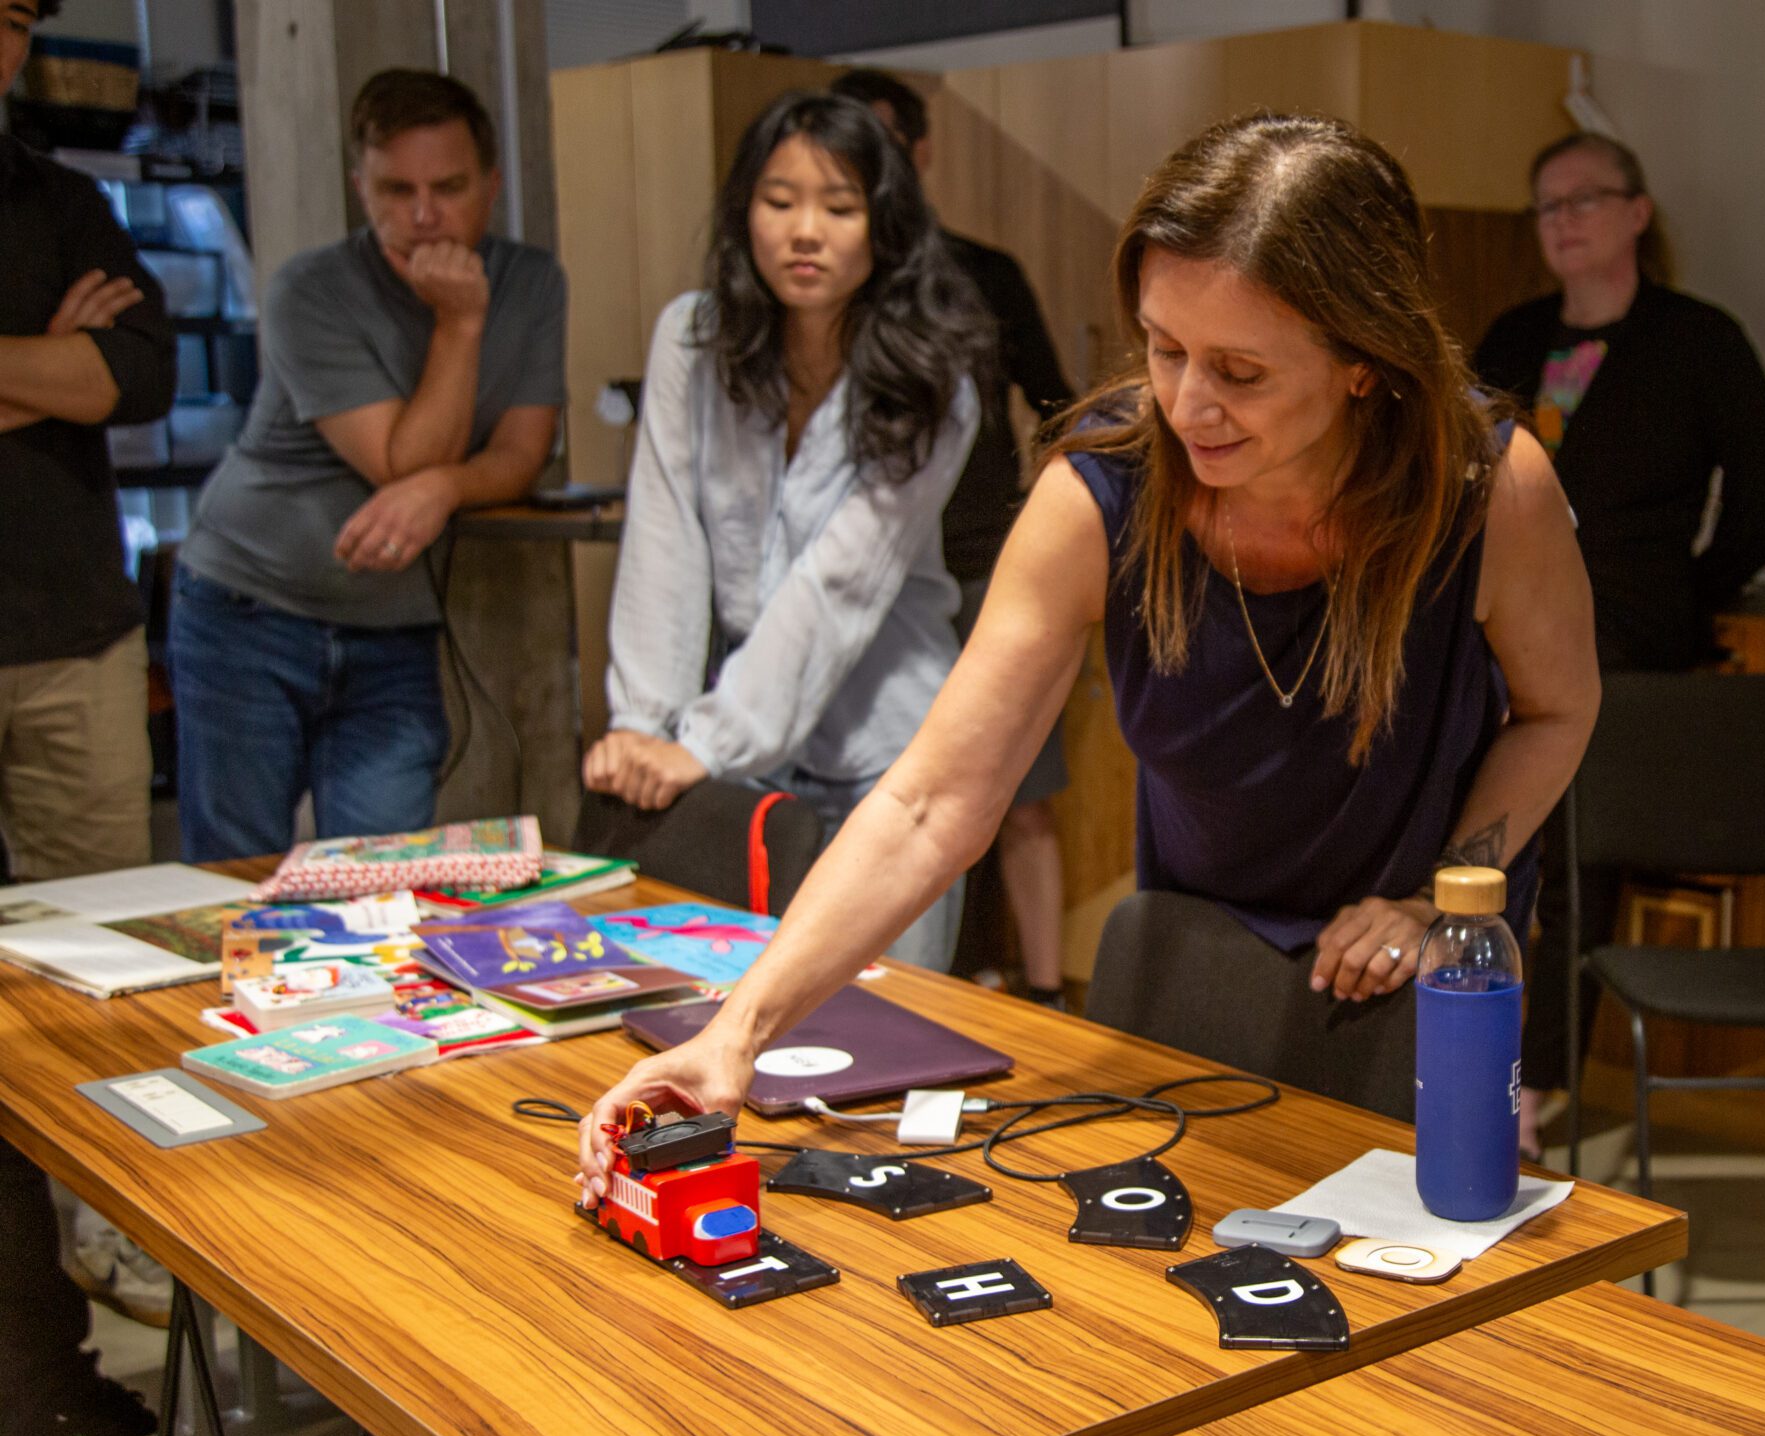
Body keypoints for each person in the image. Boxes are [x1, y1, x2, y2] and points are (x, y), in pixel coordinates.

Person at [575, 111, 1599, 1190]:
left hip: (1427, 955)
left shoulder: (1487, 489)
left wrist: (1447, 895)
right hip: (1193, 935)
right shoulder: (1101, 492)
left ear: (1360, 361)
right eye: (1163, 349)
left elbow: (1556, 712)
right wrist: (738, 1035)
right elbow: (932, 804)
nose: (1187, 404)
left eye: (1239, 372)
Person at [583, 92, 987, 972]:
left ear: (882, 223)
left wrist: (698, 744)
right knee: (721, 1014)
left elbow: (836, 589)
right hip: (741, 754)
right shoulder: (692, 340)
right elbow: (666, 536)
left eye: (839, 208)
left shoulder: (933, 381)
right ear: (744, 212)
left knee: (887, 1027)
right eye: (779, 202)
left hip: (891, 760)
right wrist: (645, 724)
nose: (806, 231)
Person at [1473, 131, 1765, 1158]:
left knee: (1575, 876)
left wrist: (1684, 603)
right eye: (1545, 205)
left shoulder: (1699, 341)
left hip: (1625, 645)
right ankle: (1455, 1062)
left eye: (1584, 199)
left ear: (1637, 214)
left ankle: (1530, 1088)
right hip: (1493, 636)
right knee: (1483, 863)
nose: (1562, 220)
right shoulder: (1512, 339)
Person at [168, 69, 565, 861]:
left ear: (491, 186)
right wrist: (460, 322)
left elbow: (521, 454)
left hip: (393, 627)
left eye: (448, 187)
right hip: (250, 606)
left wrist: (448, 486)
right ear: (360, 187)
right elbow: (400, 461)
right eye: (395, 189)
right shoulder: (311, 289)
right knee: (233, 869)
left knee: (381, 876)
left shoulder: (531, 281)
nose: (422, 215)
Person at [1, 2, 173, 1432]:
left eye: (10, 20)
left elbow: (138, 378)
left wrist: (77, 370)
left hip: (71, 630)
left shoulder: (62, 200)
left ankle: (121, 1225)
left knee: (97, 968)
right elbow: (69, 382)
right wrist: (30, 366)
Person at [829, 68, 1077, 1007]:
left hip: (984, 568)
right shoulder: (835, 285)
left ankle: (1047, 988)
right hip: (870, 579)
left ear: (921, 149)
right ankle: (901, 992)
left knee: (1023, 797)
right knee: (891, 797)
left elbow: (1059, 409)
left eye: (891, 136)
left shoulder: (985, 273)